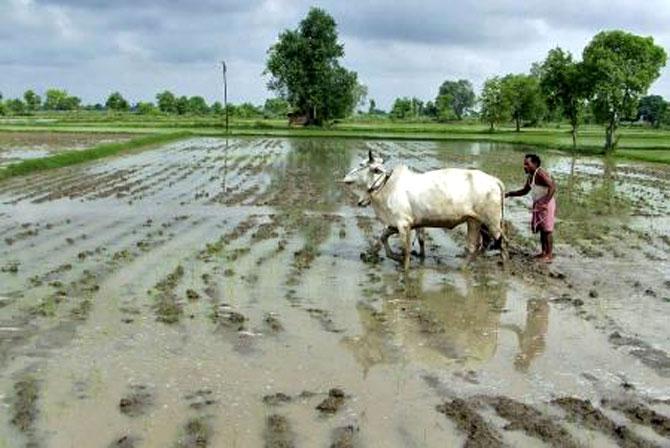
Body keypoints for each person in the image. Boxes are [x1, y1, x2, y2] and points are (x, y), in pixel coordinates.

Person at [505, 154, 556, 262]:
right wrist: (509, 194)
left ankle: (549, 254)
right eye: (524, 164)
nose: (524, 166)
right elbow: (524, 191)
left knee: (547, 230)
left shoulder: (540, 173)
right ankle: (543, 252)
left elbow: (552, 186)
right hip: (539, 204)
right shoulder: (530, 176)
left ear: (535, 164)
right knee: (542, 229)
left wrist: (545, 202)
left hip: (546, 204)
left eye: (527, 164)